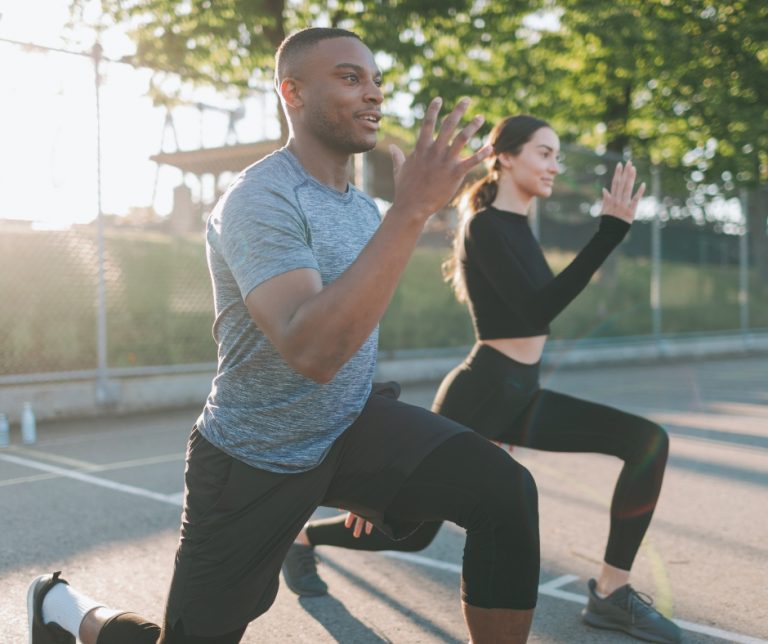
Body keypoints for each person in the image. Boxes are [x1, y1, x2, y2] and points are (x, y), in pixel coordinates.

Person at [28, 28, 542, 644]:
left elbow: (354, 333)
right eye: (351, 78)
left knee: (505, 493)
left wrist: (380, 459)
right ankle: (64, 607)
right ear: (291, 91)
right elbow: (312, 350)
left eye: (376, 80)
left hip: (349, 430)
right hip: (254, 457)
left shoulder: (359, 209)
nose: (373, 93)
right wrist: (412, 211)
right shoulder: (258, 199)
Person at [283, 115, 683, 644]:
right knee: (410, 533)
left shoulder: (518, 228)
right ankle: (303, 539)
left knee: (646, 441)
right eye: (544, 152)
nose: (554, 166)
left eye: (557, 155)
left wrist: (608, 234)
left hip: (524, 393)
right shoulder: (486, 225)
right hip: (482, 392)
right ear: (506, 156)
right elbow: (537, 310)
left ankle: (610, 593)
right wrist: (608, 233)